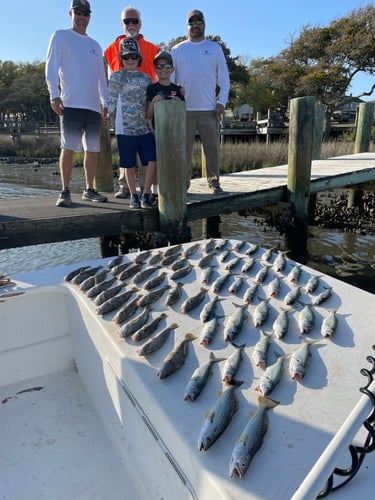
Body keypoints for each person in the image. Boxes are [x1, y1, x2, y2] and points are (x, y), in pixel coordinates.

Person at [45, 0, 108, 207]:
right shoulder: (60, 36)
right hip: (70, 104)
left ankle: (89, 189)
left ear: (90, 16)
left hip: (92, 107)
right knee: (68, 147)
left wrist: (105, 104)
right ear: (70, 13)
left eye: (86, 13)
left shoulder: (96, 46)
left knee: (92, 150)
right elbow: (51, 68)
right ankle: (65, 191)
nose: (82, 17)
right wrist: (54, 94)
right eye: (78, 12)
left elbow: (101, 79)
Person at [171, 9, 230, 194]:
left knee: (212, 149)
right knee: (184, 151)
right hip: (184, 110)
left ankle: (214, 183)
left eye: (198, 22)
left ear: (204, 24)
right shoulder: (177, 49)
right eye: (191, 22)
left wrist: (222, 102)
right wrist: (174, 102)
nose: (195, 25)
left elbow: (224, 79)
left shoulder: (214, 48)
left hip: (209, 110)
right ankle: (183, 185)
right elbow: (171, 81)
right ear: (187, 25)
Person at [104, 6, 159, 199]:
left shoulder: (153, 49)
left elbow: (160, 78)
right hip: (123, 117)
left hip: (145, 112)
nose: (131, 24)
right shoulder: (110, 49)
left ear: (140, 23)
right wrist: (108, 109)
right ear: (122, 24)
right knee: (126, 158)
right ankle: (126, 188)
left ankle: (148, 191)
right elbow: (109, 81)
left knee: (149, 156)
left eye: (134, 21)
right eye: (127, 21)